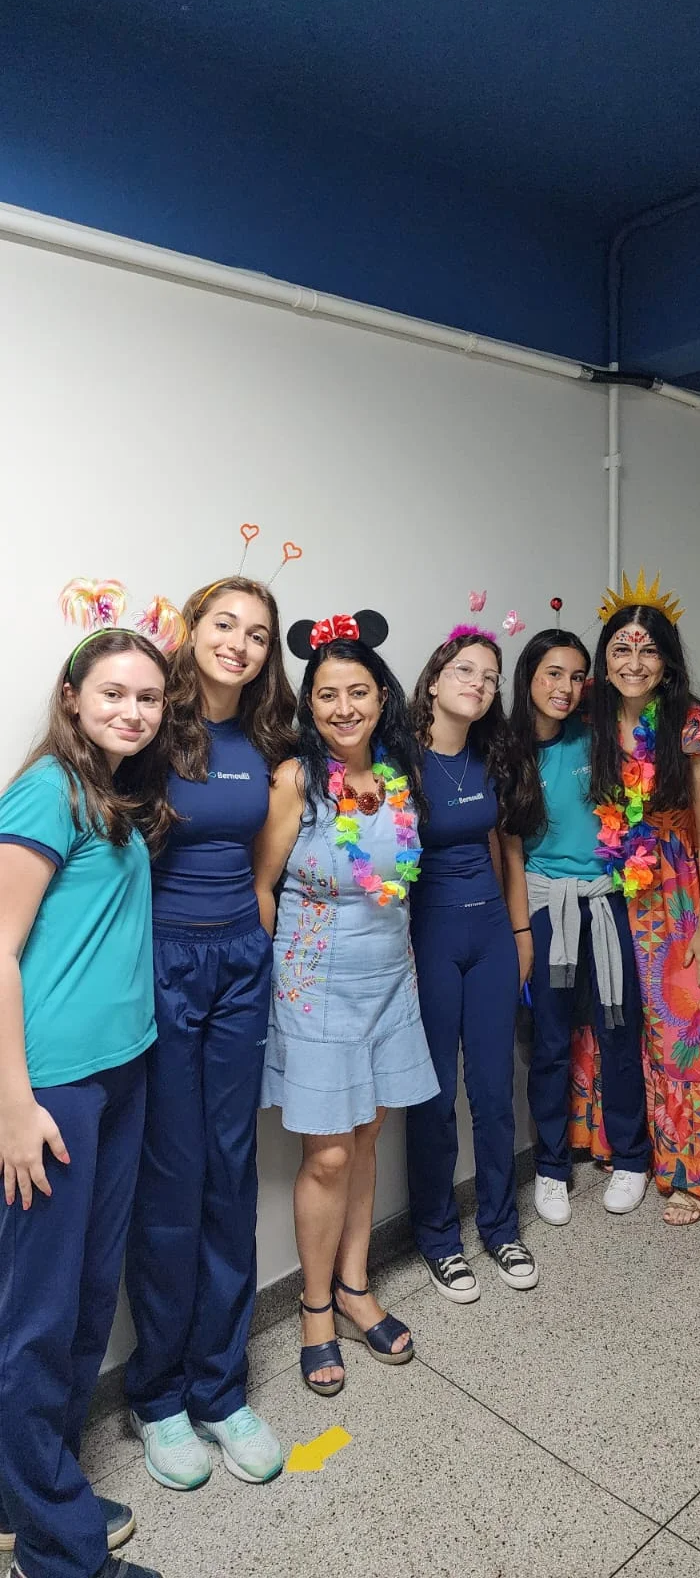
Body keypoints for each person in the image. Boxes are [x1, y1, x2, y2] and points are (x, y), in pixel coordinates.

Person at [0, 612, 175, 1578]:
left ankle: (31, 1492)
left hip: (119, 1074)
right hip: (53, 1091)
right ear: (72, 698)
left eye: (148, 697)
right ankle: (59, 1554)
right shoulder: (46, 791)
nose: (132, 711)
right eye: (113, 692)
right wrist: (13, 1106)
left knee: (83, 1297)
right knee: (37, 1317)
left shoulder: (108, 792)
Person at [125, 575, 295, 1490]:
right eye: (224, 624)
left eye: (258, 634)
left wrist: (256, 949)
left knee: (230, 1172)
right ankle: (156, 1397)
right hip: (159, 964)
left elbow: (265, 869)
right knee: (172, 1175)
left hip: (239, 966)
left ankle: (221, 1389)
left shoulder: (268, 742)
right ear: (191, 632)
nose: (239, 643)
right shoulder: (154, 726)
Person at [254, 609, 438, 1395]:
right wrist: (272, 986)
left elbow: (399, 885)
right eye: (326, 695)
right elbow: (262, 885)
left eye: (357, 691)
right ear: (309, 704)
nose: (342, 708)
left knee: (366, 1136)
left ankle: (357, 1286)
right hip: (315, 984)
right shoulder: (295, 780)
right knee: (326, 1153)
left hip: (390, 978)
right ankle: (315, 1308)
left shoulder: (399, 776)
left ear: (381, 696)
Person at [588, 570, 700, 1223]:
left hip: (692, 888)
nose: (634, 662)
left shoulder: (694, 729)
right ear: (605, 659)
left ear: (667, 661)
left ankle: (699, 1171)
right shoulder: (595, 723)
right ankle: (653, 1149)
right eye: (621, 649)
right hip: (630, 889)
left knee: (695, 1020)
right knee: (644, 1022)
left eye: (648, 650)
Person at [406, 624, 538, 1304]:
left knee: (492, 1091)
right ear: (434, 680)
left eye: (489, 677)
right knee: (432, 1100)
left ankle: (500, 1228)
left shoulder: (492, 758)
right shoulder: (398, 761)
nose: (478, 685)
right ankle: (437, 1237)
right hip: (427, 938)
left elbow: (508, 850)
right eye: (465, 670)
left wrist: (520, 933)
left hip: (490, 935)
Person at [505, 628, 650, 1227]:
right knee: (550, 1040)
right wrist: (521, 930)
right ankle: (551, 1166)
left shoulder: (599, 737)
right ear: (529, 677)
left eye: (575, 675)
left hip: (606, 901)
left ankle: (632, 1158)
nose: (565, 687)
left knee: (619, 1027)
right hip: (546, 905)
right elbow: (510, 850)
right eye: (553, 673)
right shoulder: (506, 752)